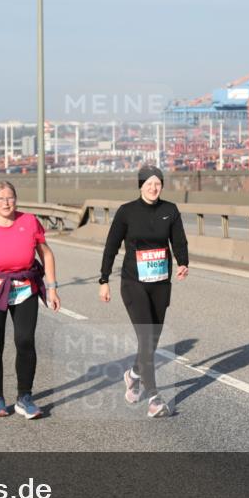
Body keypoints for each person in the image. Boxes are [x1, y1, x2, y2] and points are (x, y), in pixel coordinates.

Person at [98, 164, 189, 418]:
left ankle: (134, 374)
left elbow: (178, 240)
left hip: (160, 283)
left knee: (153, 339)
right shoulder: (127, 212)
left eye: (157, 183)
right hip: (133, 283)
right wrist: (104, 279)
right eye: (149, 183)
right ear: (140, 186)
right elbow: (111, 245)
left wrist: (183, 262)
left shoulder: (170, 210)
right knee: (147, 337)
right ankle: (154, 398)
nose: (153, 187)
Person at [0, 181, 60, 420]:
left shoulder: (29, 221)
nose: (6, 203)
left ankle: (24, 397)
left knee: (25, 341)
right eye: (0, 199)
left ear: (16, 199)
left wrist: (52, 288)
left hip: (25, 288)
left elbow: (46, 253)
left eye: (10, 198)